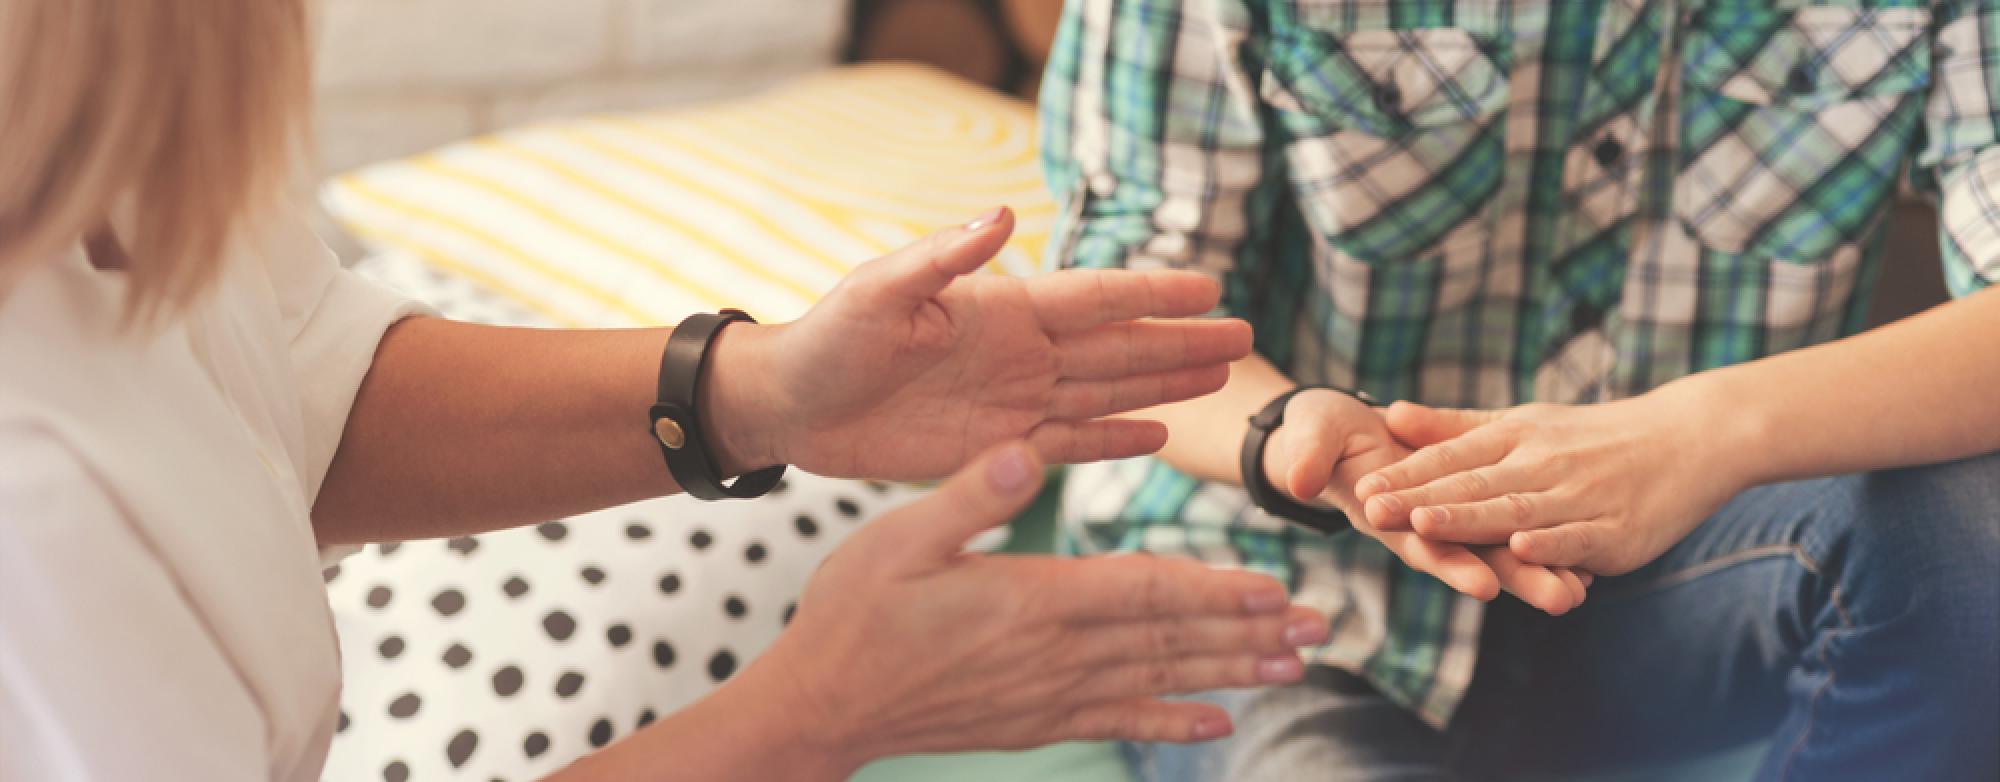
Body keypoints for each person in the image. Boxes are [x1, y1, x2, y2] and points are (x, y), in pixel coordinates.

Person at [0, 3, 1339, 781]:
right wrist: (818, 707)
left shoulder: (115, 163)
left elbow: (295, 386)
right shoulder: (34, 510)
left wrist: (759, 390)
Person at [1039, 0, 2000, 779]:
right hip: (1287, 589)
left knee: (1971, 530)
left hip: (1689, 583)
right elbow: (1112, 324)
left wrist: (1700, 433)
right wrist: (1291, 434)